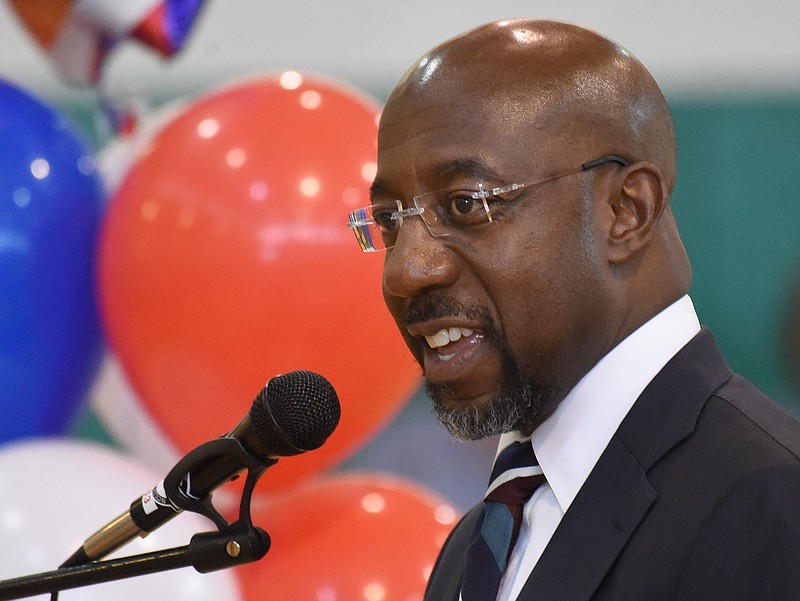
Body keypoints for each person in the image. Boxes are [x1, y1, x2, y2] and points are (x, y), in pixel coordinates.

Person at [346, 17, 800, 600]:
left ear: (626, 211)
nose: (406, 270)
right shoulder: (479, 544)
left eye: (466, 204)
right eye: (388, 222)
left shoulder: (768, 505)